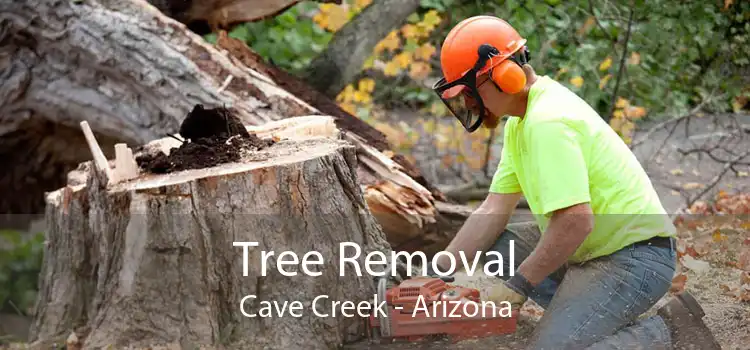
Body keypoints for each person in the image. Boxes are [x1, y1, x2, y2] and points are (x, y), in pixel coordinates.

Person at [428, 15, 721, 350]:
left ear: (503, 77)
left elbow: (575, 221)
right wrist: (439, 270)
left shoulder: (547, 121)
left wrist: (519, 284)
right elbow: (494, 207)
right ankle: (582, 318)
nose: (468, 104)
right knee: (502, 247)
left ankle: (670, 330)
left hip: (635, 257)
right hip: (596, 247)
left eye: (470, 92)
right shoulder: (520, 122)